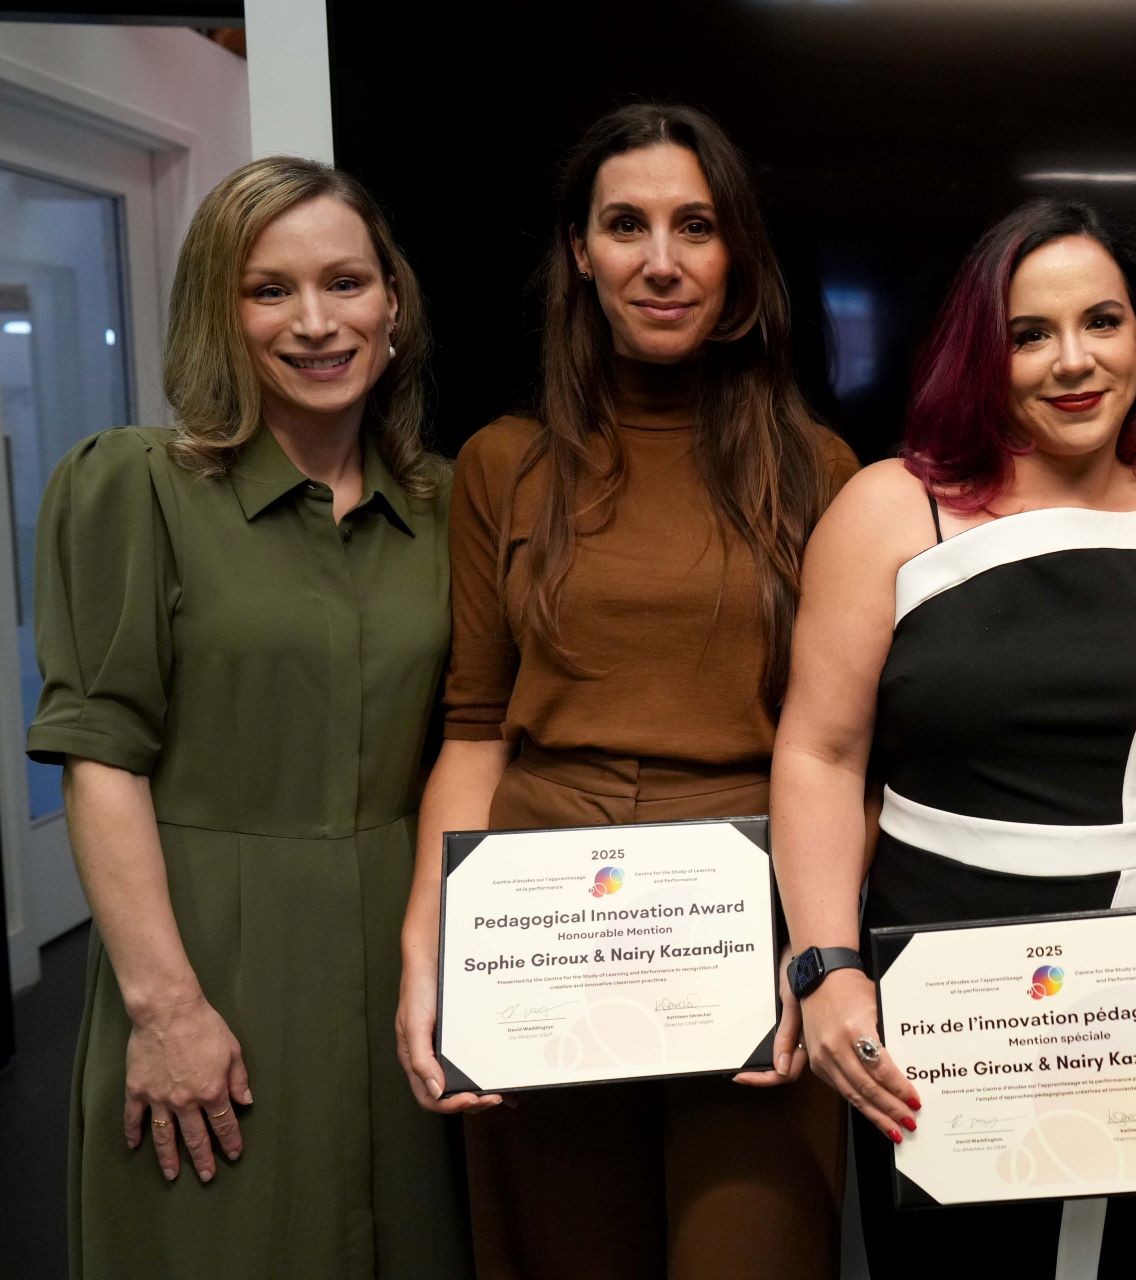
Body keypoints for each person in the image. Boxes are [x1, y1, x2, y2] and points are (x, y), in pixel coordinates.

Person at [771, 198, 1136, 1279]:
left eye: (1102, 321)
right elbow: (821, 754)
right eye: (1029, 334)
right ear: (984, 354)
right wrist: (827, 966)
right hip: (943, 995)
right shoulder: (888, 509)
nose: (1073, 361)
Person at [392, 103, 858, 1280]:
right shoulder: (503, 463)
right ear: (580, 252)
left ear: (737, 253)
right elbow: (473, 732)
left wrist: (820, 952)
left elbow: (849, 749)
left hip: (749, 925)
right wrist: (427, 951)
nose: (661, 260)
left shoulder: (819, 469)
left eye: (695, 225)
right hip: (539, 933)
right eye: (625, 225)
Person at [28, 157, 469, 1278]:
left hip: (408, 965)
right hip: (208, 958)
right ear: (219, 315)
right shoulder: (138, 485)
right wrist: (165, 1009)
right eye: (270, 290)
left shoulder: (448, 501)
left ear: (393, 301)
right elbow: (100, 759)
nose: (316, 322)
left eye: (345, 282)